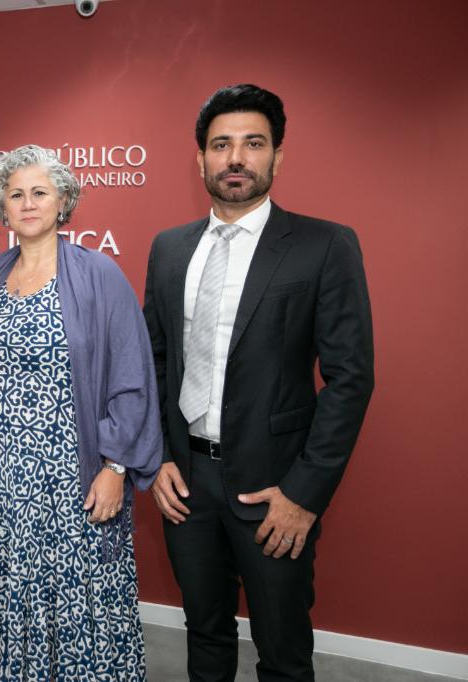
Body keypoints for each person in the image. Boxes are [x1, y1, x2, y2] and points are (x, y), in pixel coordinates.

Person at [143, 84, 374, 681]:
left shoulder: (324, 245)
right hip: (186, 485)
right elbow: (156, 362)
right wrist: (159, 458)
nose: (236, 158)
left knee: (283, 653)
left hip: (275, 490)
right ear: (201, 159)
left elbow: (350, 379)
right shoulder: (169, 249)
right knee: (205, 635)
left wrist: (304, 494)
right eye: (221, 145)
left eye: (254, 143)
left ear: (277, 156)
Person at [0, 144, 162, 681]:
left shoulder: (98, 274)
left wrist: (115, 467)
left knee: (74, 609)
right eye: (16, 194)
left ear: (63, 201)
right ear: (1, 206)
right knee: (5, 602)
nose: (28, 203)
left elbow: (131, 376)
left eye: (39, 192)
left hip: (69, 482)